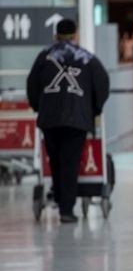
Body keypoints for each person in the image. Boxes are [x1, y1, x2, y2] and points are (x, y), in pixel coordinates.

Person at [26, 19, 109, 223]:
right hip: (77, 118)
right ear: (76, 35)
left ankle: (61, 198)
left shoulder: (44, 57)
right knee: (70, 162)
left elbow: (32, 84)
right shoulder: (88, 59)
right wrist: (94, 109)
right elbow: (102, 84)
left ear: (56, 36)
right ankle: (66, 210)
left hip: (50, 118)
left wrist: (38, 106)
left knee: (55, 161)